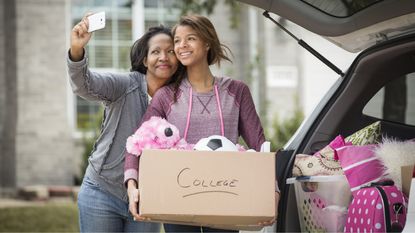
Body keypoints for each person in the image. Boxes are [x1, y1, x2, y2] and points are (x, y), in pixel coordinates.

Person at [124, 15, 279, 232]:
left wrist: (272, 191)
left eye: (191, 38)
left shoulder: (236, 91)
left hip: (226, 199)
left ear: (207, 42)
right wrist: (132, 186)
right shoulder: (167, 96)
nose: (182, 45)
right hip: (176, 201)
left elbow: (259, 145)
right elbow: (136, 143)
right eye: (177, 40)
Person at [67, 13, 181, 232]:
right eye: (155, 51)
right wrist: (77, 50)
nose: (164, 57)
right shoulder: (123, 85)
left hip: (148, 199)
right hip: (101, 193)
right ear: (144, 60)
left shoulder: (181, 99)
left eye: (171, 52)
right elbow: (84, 84)